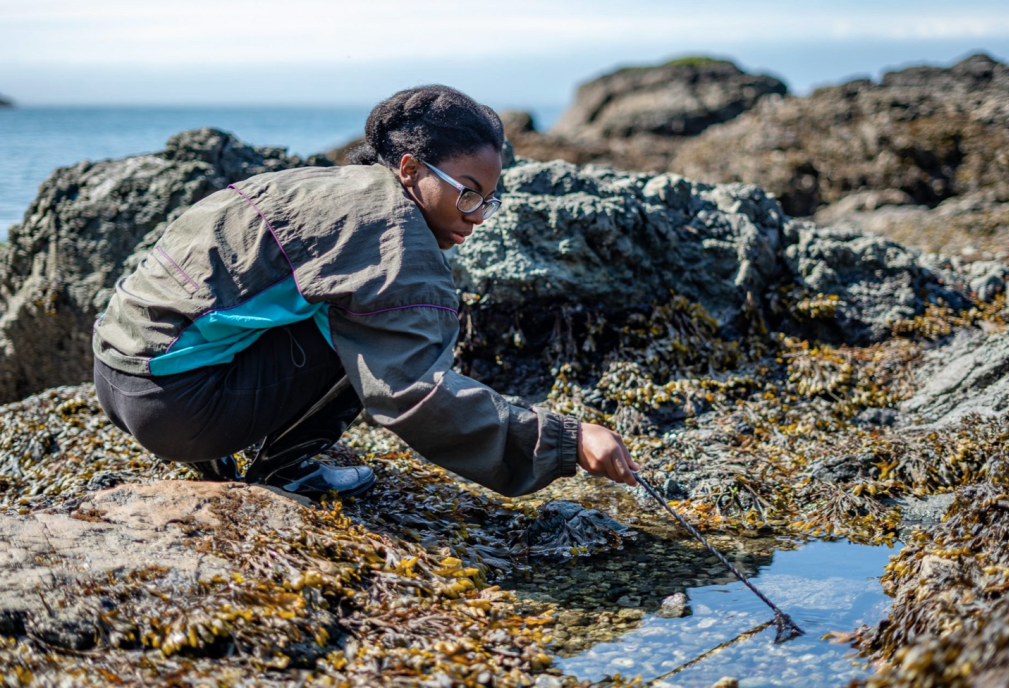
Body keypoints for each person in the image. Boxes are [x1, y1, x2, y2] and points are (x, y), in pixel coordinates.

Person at [91, 85, 639, 500]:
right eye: (467, 194)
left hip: (115, 370)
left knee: (324, 309)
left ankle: (216, 455)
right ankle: (288, 470)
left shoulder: (326, 185)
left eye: (487, 202)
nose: (475, 218)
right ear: (409, 168)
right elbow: (413, 393)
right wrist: (567, 441)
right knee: (369, 335)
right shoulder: (393, 237)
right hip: (173, 408)